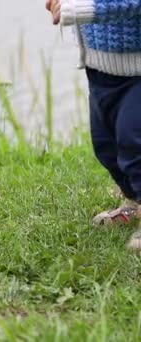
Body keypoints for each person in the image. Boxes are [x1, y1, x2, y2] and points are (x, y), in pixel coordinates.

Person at [47, 0, 141, 251]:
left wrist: (76, 8)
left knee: (134, 141)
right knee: (105, 145)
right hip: (101, 68)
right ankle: (133, 202)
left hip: (137, 70)